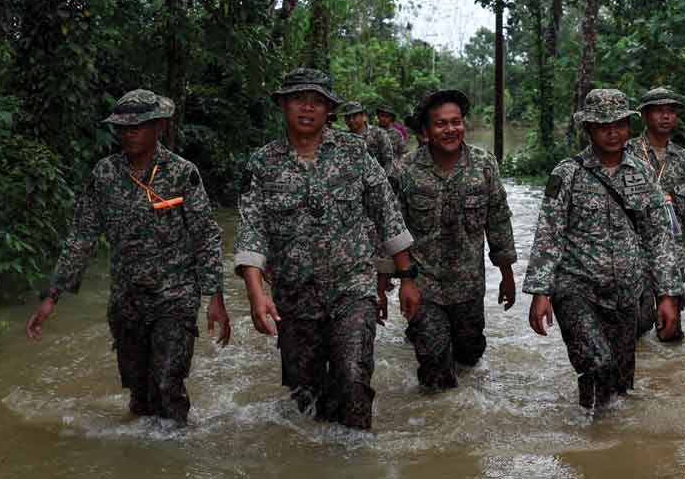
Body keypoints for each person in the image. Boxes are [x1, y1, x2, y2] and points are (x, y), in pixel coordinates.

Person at [25, 89, 231, 425]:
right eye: (122, 127)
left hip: (175, 298)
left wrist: (215, 295)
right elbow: (81, 237)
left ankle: (174, 448)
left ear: (158, 126)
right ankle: (137, 451)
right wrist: (52, 296)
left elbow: (206, 235)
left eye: (137, 126)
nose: (128, 133)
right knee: (139, 395)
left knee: (167, 387)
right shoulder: (104, 174)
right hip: (127, 300)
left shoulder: (182, 173)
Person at [233, 68, 420, 430]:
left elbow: (387, 212)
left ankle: (357, 453)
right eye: (298, 100)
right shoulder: (263, 163)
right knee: (307, 402)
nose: (307, 108)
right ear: (283, 105)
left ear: (328, 109)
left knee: (353, 380)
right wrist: (256, 294)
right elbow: (252, 229)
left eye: (317, 101)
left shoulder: (354, 152)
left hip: (352, 289)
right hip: (294, 297)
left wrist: (407, 277)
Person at [522, 88, 684, 410]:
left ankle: (600, 431)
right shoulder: (567, 174)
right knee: (597, 364)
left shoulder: (642, 172)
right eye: (603, 126)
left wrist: (667, 294)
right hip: (576, 289)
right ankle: (590, 434)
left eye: (620, 125)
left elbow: (658, 237)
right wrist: (540, 292)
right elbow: (549, 233)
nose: (613, 133)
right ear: (589, 129)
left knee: (621, 388)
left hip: (626, 294)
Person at [389, 89, 517, 392]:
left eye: (456, 122)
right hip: (424, 286)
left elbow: (498, 221)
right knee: (435, 367)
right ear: (425, 130)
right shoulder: (405, 169)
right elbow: (392, 227)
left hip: (469, 286)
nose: (450, 130)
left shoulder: (484, 165)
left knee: (469, 357)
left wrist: (507, 276)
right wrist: (393, 282)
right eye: (441, 124)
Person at [628, 86, 685, 342]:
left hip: (671, 253)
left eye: (670, 111)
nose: (666, 116)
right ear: (645, 115)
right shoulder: (626, 153)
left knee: (671, 331)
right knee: (636, 326)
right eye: (658, 111)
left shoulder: (681, 157)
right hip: (633, 253)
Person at [339, 101, 395, 172]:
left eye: (354, 116)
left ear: (363, 116)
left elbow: (388, 159)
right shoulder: (344, 136)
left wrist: (385, 177)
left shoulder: (378, 133)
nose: (351, 120)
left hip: (376, 175)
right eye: (347, 117)